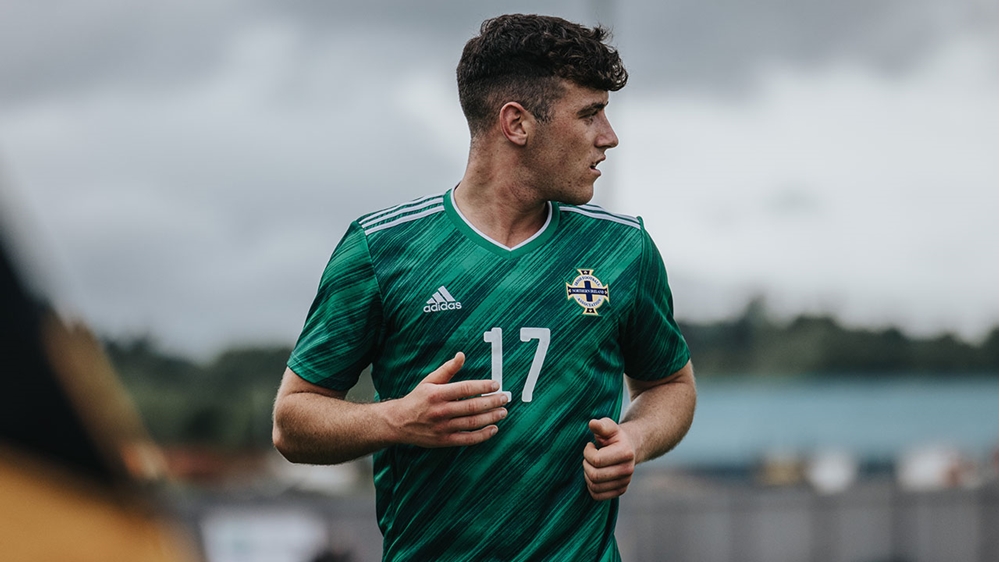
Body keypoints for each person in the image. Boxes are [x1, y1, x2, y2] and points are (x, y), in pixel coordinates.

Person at [272, 13, 696, 561]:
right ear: (516, 124)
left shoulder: (624, 251)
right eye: (590, 114)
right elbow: (292, 421)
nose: (608, 138)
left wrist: (634, 440)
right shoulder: (383, 249)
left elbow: (670, 386)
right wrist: (395, 418)